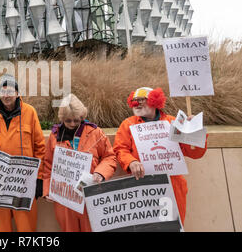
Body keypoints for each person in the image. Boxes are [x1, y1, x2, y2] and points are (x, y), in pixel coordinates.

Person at [113, 87, 207, 225]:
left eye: (141, 100)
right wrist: (131, 162)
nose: (136, 104)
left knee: (172, 226)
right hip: (142, 187)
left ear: (154, 101)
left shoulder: (173, 122)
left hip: (172, 186)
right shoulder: (127, 125)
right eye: (134, 100)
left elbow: (195, 153)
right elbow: (121, 149)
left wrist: (195, 131)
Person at [42, 93, 117, 232]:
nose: (72, 124)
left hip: (89, 193)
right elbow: (48, 165)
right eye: (68, 121)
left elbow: (109, 157)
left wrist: (100, 173)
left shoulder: (95, 133)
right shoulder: (54, 136)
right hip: (64, 199)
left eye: (76, 120)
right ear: (62, 119)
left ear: (82, 117)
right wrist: (47, 190)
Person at [0, 76, 46, 232]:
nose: (6, 95)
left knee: (26, 227)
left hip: (23, 181)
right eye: (3, 91)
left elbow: (40, 148)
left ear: (17, 93)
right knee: (1, 227)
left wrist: (39, 178)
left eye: (10, 91)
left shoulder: (29, 112)